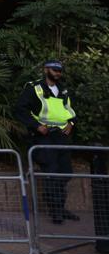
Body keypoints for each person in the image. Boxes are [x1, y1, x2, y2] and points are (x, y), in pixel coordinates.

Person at [14, 59, 78, 225]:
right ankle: (56, 211)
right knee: (51, 172)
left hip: (62, 136)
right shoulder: (35, 88)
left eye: (60, 71)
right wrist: (36, 126)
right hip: (44, 136)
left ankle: (60, 207)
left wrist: (71, 123)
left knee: (65, 172)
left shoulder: (63, 90)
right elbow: (19, 109)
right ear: (46, 70)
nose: (58, 73)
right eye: (55, 70)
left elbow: (70, 110)